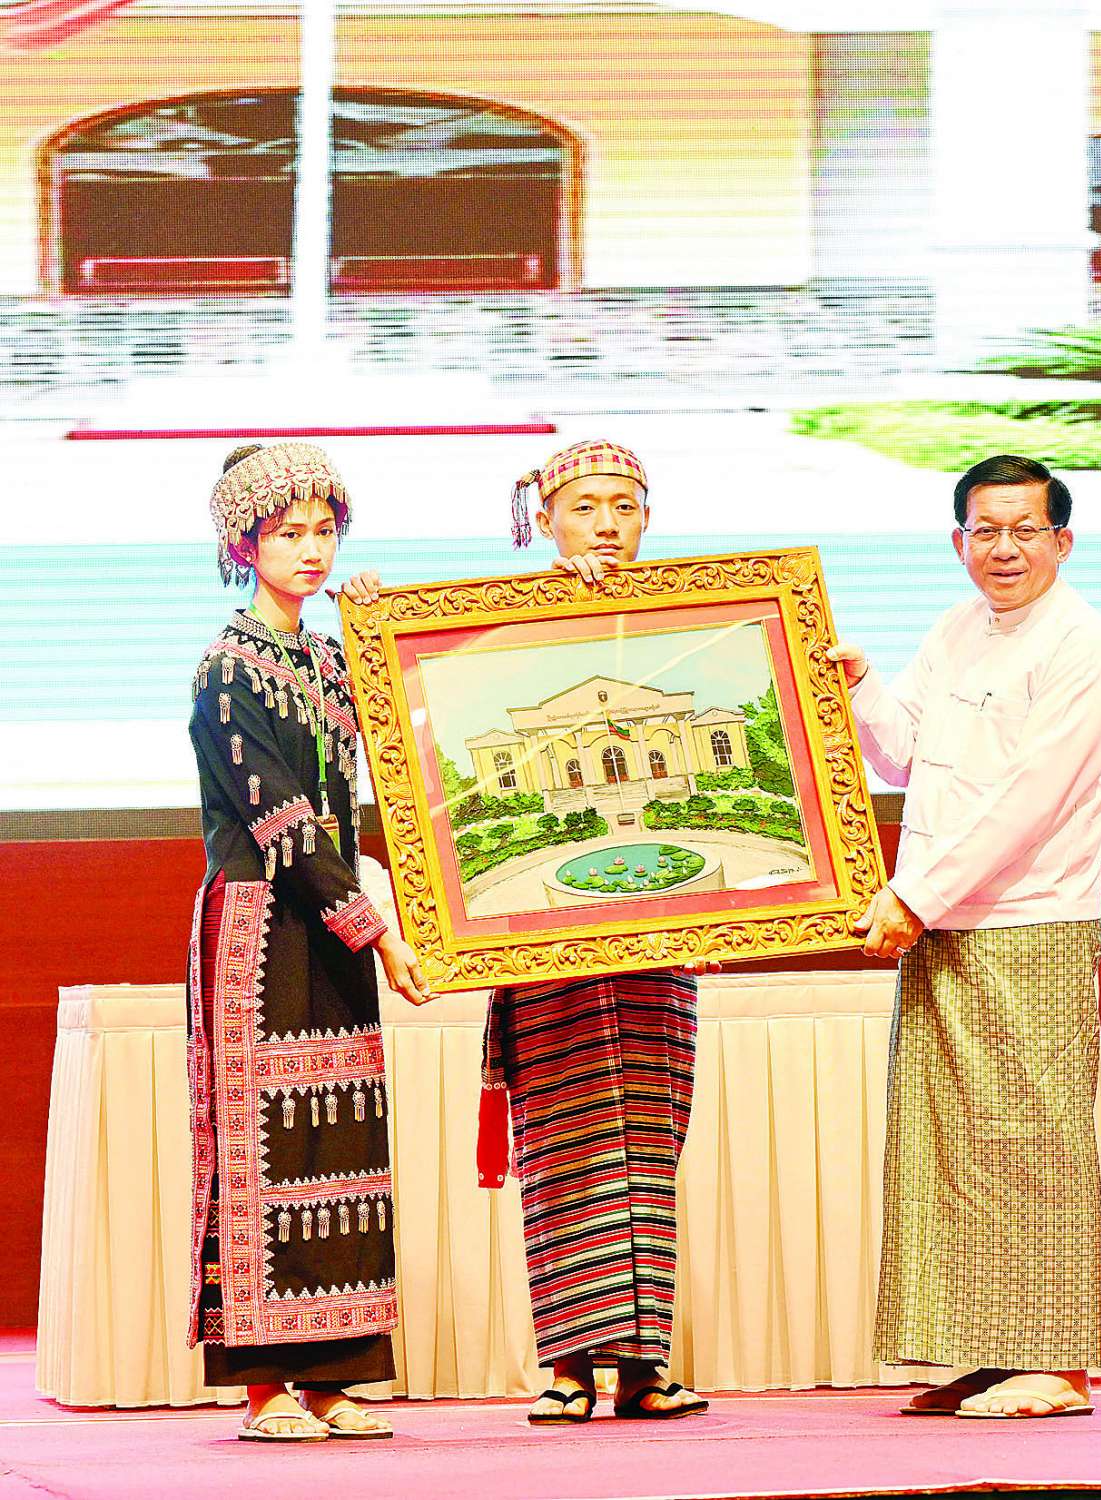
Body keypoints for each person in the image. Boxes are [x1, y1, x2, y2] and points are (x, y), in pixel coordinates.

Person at [344, 438, 712, 1426]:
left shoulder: (695, 626)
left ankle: (643, 1369)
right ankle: (568, 1367)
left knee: (646, 1148)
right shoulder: (497, 633)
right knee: (561, 1149)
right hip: (538, 937)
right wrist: (372, 624)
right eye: (584, 506)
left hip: (658, 936)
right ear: (543, 520)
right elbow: (419, 734)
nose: (605, 524)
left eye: (624, 506)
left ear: (647, 518)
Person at [828, 454, 1101, 1421]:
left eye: (1024, 530)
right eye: (985, 531)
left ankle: (1057, 1363)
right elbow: (905, 755)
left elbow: (1026, 801)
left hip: (1030, 920)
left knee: (1033, 1144)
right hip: (941, 919)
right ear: (958, 541)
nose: (1004, 549)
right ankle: (985, 1350)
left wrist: (911, 895)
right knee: (949, 1149)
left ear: (1061, 541)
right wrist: (860, 684)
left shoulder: (1086, 646)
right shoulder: (956, 628)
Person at [188, 441, 429, 1443]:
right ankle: (261, 1385)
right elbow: (282, 820)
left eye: (324, 531)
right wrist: (379, 933)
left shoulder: (329, 660)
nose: (312, 550)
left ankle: (332, 1372)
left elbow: (406, 744)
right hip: (260, 923)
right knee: (266, 1143)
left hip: (330, 916)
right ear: (245, 545)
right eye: (289, 533)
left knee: (342, 1139)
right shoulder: (225, 670)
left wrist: (377, 629)